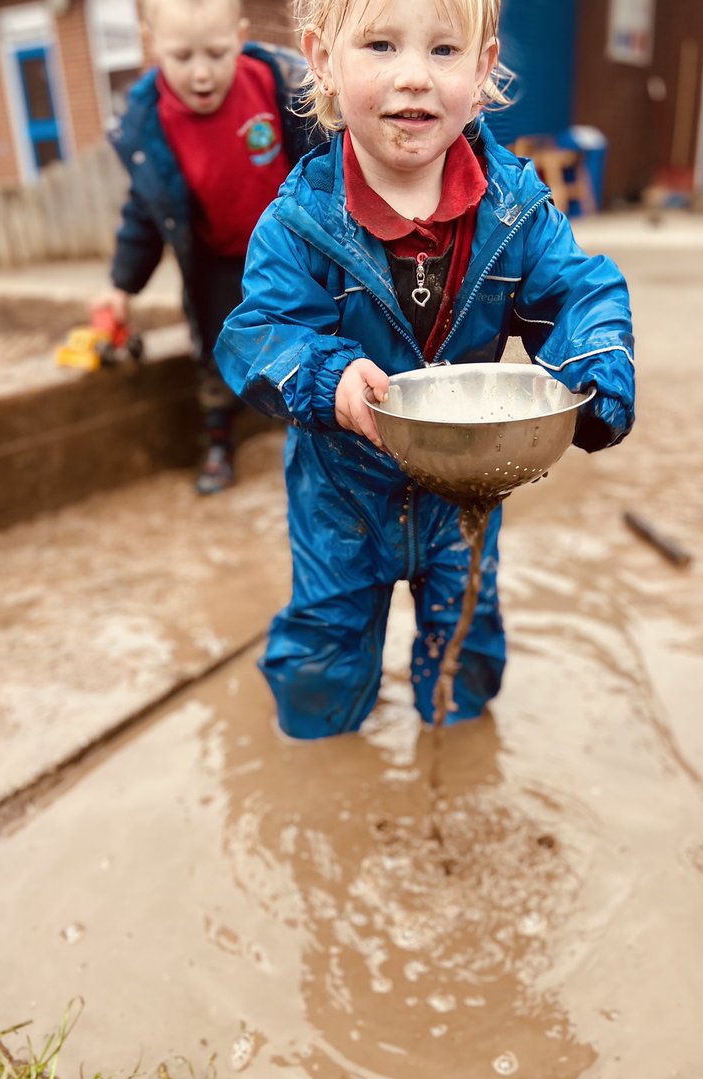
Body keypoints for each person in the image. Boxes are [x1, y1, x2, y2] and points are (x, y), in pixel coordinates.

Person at [215, 0, 635, 737]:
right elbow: (258, 333)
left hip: (467, 487)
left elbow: (581, 292)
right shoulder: (297, 221)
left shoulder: (516, 209)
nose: (414, 77)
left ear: (482, 68)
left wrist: (594, 372)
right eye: (380, 45)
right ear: (321, 58)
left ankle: (456, 745)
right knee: (327, 647)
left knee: (465, 641)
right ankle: (324, 750)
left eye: (444, 51)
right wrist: (331, 378)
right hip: (342, 493)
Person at [98, 0, 321, 494]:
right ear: (151, 45)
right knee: (217, 352)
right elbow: (144, 211)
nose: (201, 73)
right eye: (181, 57)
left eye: (217, 54)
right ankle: (219, 441)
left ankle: (312, 429)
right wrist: (121, 286)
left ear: (240, 37)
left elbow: (325, 162)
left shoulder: (280, 85)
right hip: (215, 259)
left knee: (308, 331)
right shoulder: (149, 124)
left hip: (290, 249)